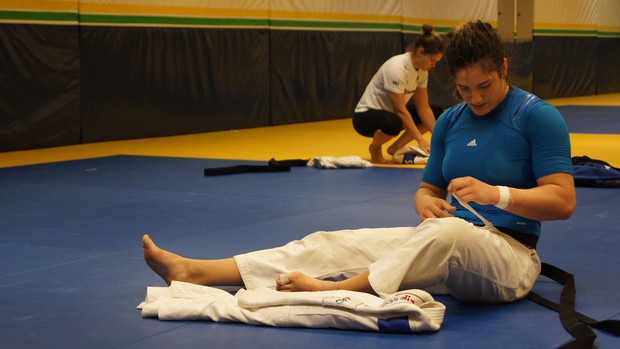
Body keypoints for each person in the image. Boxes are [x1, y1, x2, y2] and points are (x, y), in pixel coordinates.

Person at [142, 20, 576, 304]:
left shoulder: (536, 116)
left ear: (503, 67)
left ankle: (333, 293)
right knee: (334, 242)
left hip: (510, 258)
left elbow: (562, 202)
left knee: (447, 231)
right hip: (441, 245)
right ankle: (197, 270)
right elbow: (427, 190)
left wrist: (495, 195)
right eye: (464, 89)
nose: (475, 98)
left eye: (485, 85)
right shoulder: (451, 122)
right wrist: (424, 203)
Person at [353, 24, 444, 163]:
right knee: (394, 122)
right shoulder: (397, 67)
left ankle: (396, 147)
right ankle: (375, 147)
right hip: (365, 116)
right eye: (432, 60)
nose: (434, 65)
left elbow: (423, 108)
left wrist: (440, 141)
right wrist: (420, 140)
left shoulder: (422, 71)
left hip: (392, 114)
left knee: (436, 111)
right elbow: (400, 110)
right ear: (421, 52)